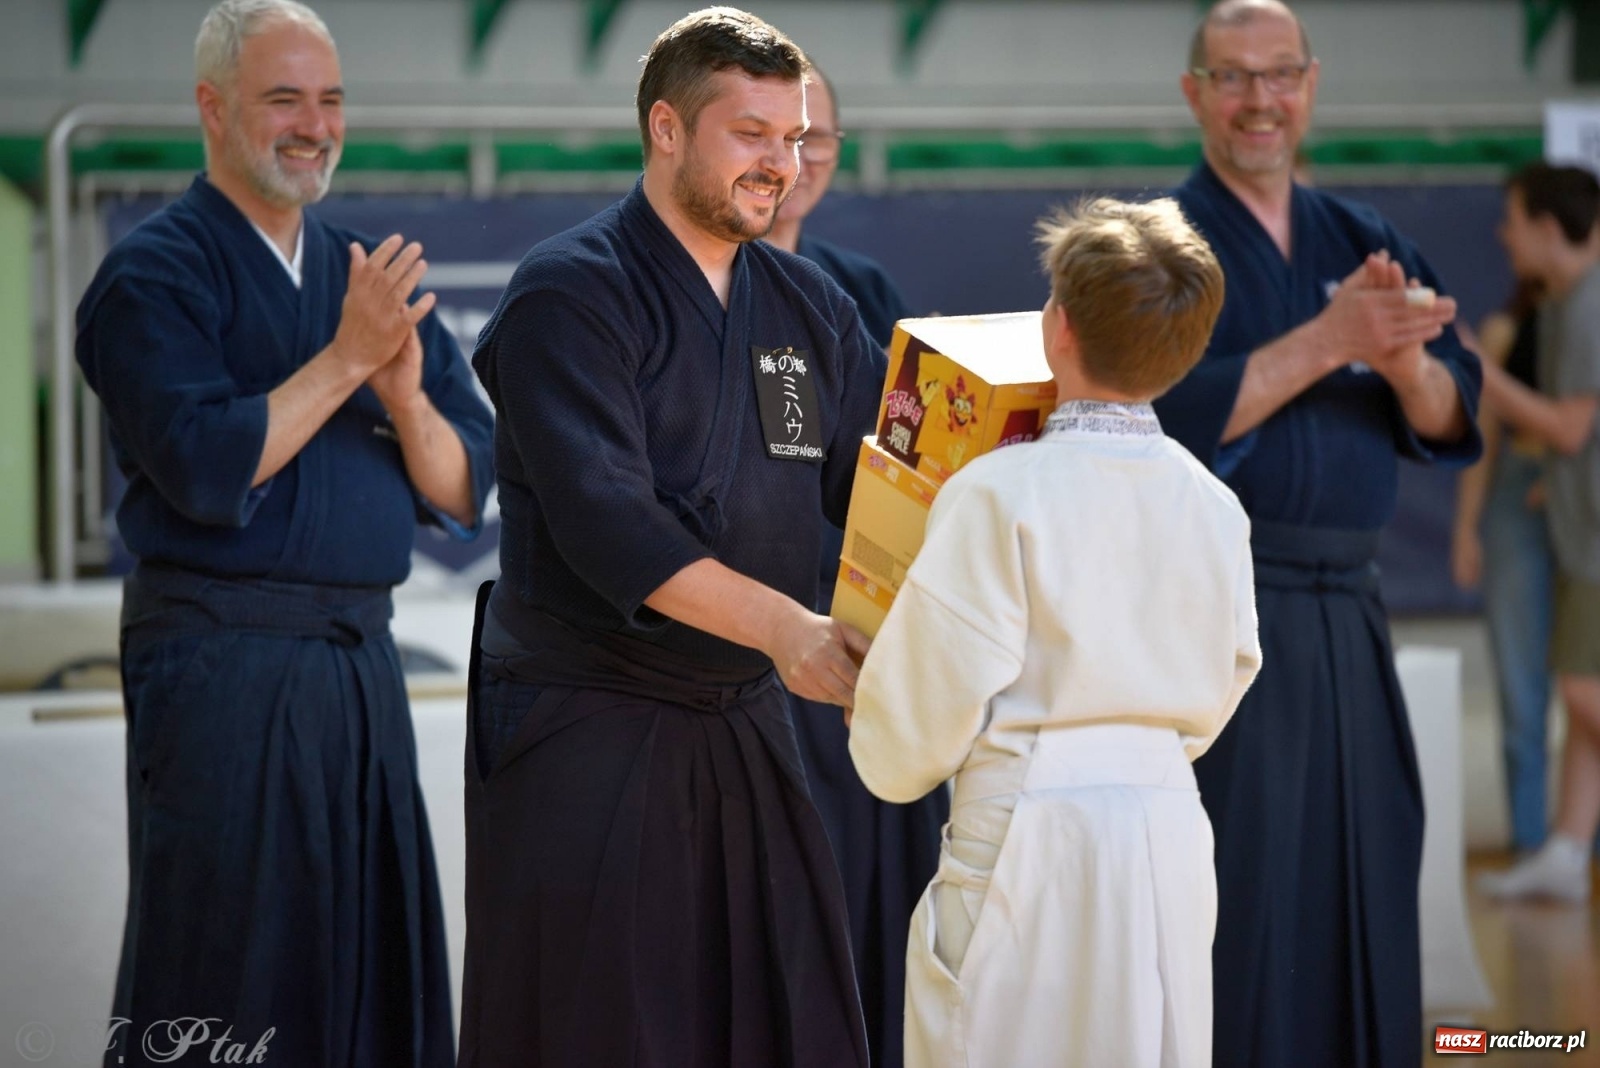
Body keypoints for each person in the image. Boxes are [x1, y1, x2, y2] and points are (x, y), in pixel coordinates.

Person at [74, 1, 495, 1065]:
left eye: (330, 100)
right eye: (283, 99)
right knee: (228, 959)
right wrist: (349, 361)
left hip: (359, 663)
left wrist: (402, 394)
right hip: (220, 663)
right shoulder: (151, 275)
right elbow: (207, 460)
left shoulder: (365, 269)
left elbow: (463, 488)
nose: (313, 125)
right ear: (212, 110)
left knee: (372, 953)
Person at [461, 9, 881, 1067]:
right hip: (589, 719)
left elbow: (879, 482)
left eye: (792, 140)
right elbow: (610, 526)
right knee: (604, 1028)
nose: (779, 164)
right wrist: (791, 631)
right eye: (749, 134)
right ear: (664, 127)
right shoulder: (573, 291)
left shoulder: (805, 304)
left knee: (776, 1019)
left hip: (740, 715)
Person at [848, 196, 1262, 1068]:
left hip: (1025, 833)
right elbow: (1232, 671)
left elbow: (914, 729)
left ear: (1057, 326)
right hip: (1165, 824)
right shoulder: (1215, 506)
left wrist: (875, 718)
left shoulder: (997, 492)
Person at [1154, 2, 1482, 1065]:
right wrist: (1327, 340)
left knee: (1371, 861)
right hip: (1217, 622)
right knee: (1249, 890)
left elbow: (1450, 414)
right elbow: (1148, 411)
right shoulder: (1156, 243)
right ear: (1195, 91)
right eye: (1235, 77)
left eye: (1279, 75)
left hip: (1350, 610)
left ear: (1311, 83)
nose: (1261, 100)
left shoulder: (1366, 238)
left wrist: (1400, 364)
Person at [763, 64, 940, 1068]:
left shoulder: (864, 290)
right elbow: (798, 466)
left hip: (875, 636)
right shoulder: (712, 288)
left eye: (817, 139)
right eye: (777, 134)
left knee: (879, 897)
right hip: (763, 637)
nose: (798, 158)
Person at [1477, 162, 1600, 903]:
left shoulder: (1587, 307)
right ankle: (1566, 847)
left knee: (1581, 686)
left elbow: (1565, 427)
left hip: (1592, 544)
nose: (1504, 236)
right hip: (1577, 528)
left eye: (1513, 220)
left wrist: (1477, 369)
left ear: (1549, 229)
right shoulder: (1562, 305)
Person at [1451, 279, 1558, 855]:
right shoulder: (1504, 328)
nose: (1505, 235)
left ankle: (1577, 843)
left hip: (1578, 504)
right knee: (1521, 687)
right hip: (1518, 498)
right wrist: (1468, 527)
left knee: (1584, 686)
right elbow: (1484, 434)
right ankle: (1530, 841)